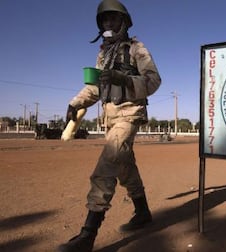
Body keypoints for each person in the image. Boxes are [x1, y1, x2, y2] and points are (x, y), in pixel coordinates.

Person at [58, 0, 161, 251]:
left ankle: (87, 235)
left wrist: (123, 79)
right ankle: (143, 212)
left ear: (124, 22)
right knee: (125, 167)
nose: (108, 23)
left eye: (113, 19)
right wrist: (75, 103)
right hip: (111, 118)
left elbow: (153, 80)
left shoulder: (137, 48)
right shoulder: (103, 54)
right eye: (105, 20)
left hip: (129, 114)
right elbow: (95, 86)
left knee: (107, 165)